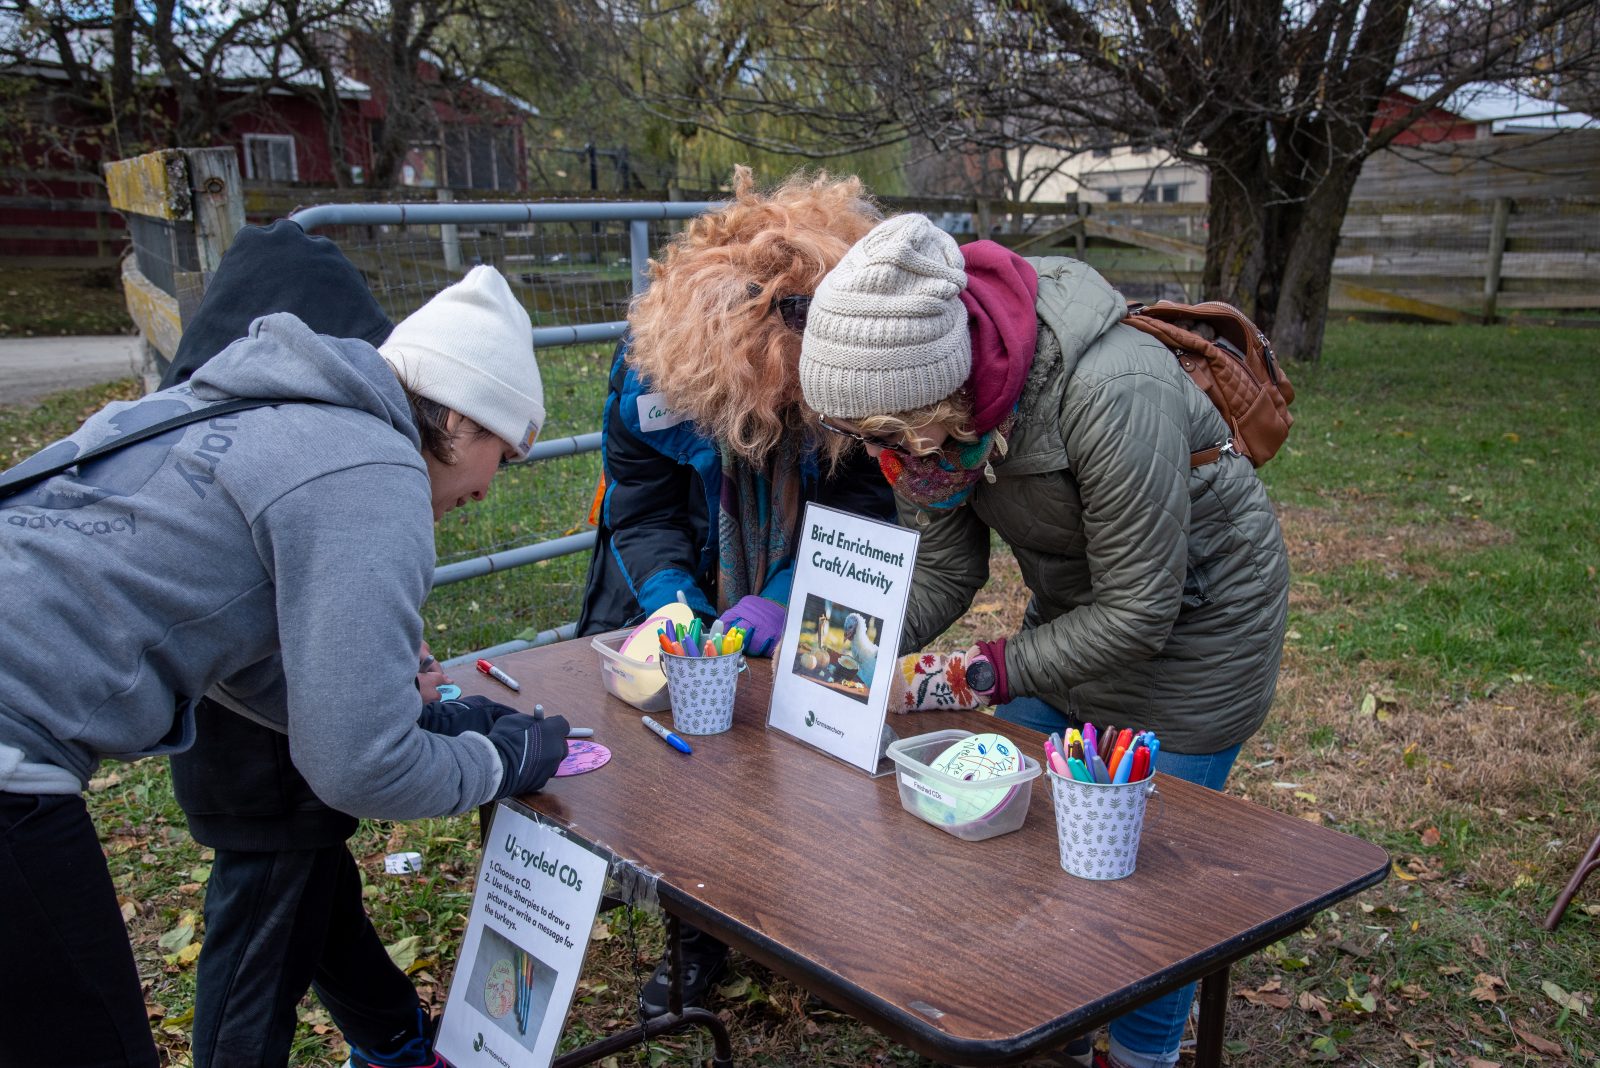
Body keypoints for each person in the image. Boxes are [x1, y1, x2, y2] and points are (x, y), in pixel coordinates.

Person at [0, 262, 571, 1068]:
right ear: (459, 417)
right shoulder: (375, 470)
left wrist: (409, 714)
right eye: (503, 458)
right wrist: (494, 758)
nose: (486, 490)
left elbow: (224, 663)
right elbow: (359, 770)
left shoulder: (260, 408)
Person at [797, 214, 1290, 1068]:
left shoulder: (1112, 389)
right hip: (1079, 616)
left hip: (1201, 633)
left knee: (1143, 872)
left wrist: (977, 672)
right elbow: (948, 572)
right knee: (1027, 829)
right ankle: (1052, 1013)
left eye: (881, 433)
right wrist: (841, 651)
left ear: (935, 391)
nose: (881, 456)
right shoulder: (927, 435)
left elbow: (1141, 611)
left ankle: (1138, 1051)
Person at [574, 167, 898, 1014]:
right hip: (688, 578)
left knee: (812, 736)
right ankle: (695, 939)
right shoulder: (650, 372)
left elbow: (862, 513)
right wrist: (673, 599)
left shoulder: (845, 363)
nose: (775, 403)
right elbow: (639, 505)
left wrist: (787, 596)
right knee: (681, 758)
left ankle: (813, 921)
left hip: (797, 576)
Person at [157, 219, 471, 1068]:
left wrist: (393, 662)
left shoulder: (220, 449)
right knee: (259, 939)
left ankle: (393, 1036)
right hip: (267, 758)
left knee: (316, 896)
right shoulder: (319, 462)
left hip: (259, 743)